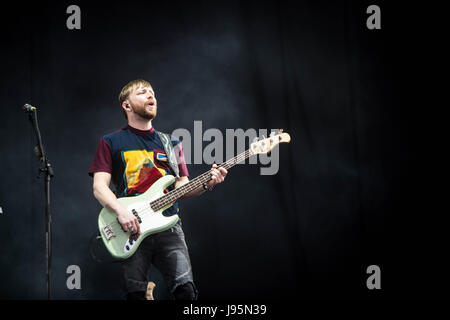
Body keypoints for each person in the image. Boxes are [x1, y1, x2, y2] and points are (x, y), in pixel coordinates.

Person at [88, 79, 227, 300]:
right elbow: (99, 187)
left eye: (152, 93)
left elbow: (182, 185)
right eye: (143, 93)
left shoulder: (171, 143)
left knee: (186, 292)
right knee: (136, 295)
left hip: (169, 226)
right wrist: (121, 212)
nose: (151, 96)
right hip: (131, 227)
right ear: (127, 105)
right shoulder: (110, 142)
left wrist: (206, 183)